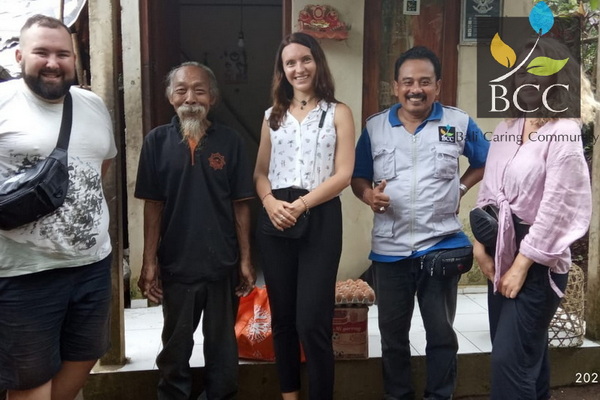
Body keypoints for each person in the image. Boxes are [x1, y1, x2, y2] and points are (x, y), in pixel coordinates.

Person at [351, 46, 490, 400]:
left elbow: (487, 160)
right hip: (389, 250)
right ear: (396, 86)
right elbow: (358, 176)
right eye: (408, 82)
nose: (416, 89)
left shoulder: (457, 123)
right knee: (392, 336)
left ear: (438, 86)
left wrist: (461, 187)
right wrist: (368, 195)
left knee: (441, 335)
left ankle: (439, 395)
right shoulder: (375, 127)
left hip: (440, 245)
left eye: (425, 82)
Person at [473, 36, 597, 400]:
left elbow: (560, 206)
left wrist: (522, 264)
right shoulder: (508, 128)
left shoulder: (563, 131)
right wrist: (480, 247)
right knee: (528, 357)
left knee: (509, 364)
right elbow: (488, 191)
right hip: (499, 251)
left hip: (538, 263)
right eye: (519, 70)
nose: (526, 77)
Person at [0, 15, 117, 400]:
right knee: (30, 381)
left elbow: (101, 164)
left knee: (83, 358)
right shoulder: (3, 102)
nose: (53, 62)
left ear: (74, 58)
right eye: (42, 52)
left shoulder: (92, 104)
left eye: (62, 54)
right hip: (24, 272)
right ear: (20, 56)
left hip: (91, 265)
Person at [135, 61, 255, 400]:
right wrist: (149, 262)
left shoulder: (230, 142)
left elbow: (241, 205)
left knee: (222, 348)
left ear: (212, 98)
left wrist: (245, 260)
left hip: (221, 264)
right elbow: (153, 206)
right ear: (170, 97)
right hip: (176, 264)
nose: (190, 98)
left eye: (200, 91)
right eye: (182, 90)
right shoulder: (156, 142)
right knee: (175, 347)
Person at [254, 32, 355, 400]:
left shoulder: (338, 112)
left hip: (320, 217)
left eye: (305, 59)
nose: (299, 68)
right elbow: (260, 171)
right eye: (290, 62)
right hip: (276, 216)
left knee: (312, 321)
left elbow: (344, 174)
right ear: (282, 70)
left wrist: (302, 204)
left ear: (317, 62)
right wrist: (269, 202)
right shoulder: (272, 116)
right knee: (282, 319)